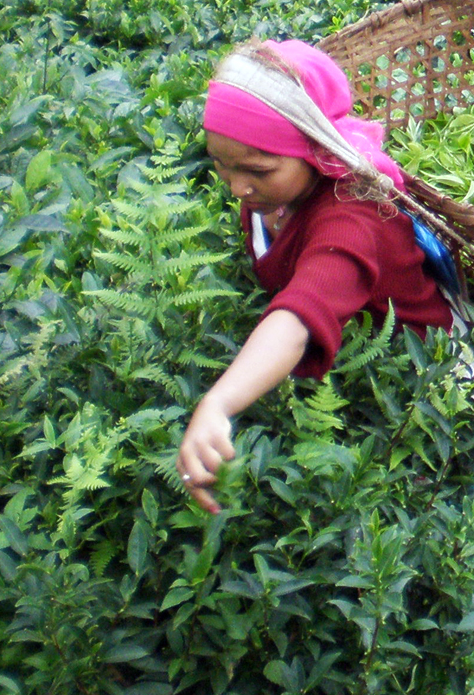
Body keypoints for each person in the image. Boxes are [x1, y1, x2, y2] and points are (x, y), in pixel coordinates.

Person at [176, 40, 454, 515]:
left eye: (258, 170)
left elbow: (302, 310)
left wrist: (220, 403)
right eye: (221, 164)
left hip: (423, 370)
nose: (238, 187)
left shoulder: (355, 217)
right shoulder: (275, 194)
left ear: (315, 151)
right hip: (351, 356)